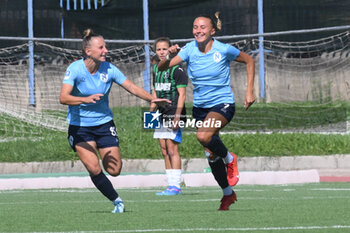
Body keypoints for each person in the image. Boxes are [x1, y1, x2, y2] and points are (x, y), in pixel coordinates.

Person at [59, 29, 169, 213]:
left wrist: (152, 98)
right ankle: (116, 200)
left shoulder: (109, 68)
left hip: (104, 124)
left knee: (114, 169)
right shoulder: (75, 69)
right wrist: (84, 99)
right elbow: (63, 97)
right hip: (80, 127)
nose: (106, 50)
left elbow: (131, 87)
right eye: (101, 47)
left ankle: (103, 169)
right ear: (88, 51)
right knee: (94, 168)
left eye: (105, 46)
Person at [158, 12, 255, 210]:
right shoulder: (188, 50)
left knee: (203, 135)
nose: (198, 31)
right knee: (211, 154)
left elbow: (249, 61)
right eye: (195, 27)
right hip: (200, 108)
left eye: (202, 27)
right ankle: (228, 194)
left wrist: (249, 91)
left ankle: (230, 158)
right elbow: (162, 68)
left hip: (222, 104)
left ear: (212, 31)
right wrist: (169, 54)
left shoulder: (223, 49)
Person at [150, 37, 188, 195]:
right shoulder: (155, 68)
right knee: (164, 149)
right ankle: (170, 184)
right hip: (160, 112)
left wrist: (178, 116)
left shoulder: (176, 69)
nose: (161, 52)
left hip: (173, 111)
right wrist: (152, 108)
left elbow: (182, 95)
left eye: (164, 49)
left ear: (170, 50)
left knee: (172, 149)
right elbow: (155, 90)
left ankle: (176, 186)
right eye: (158, 49)